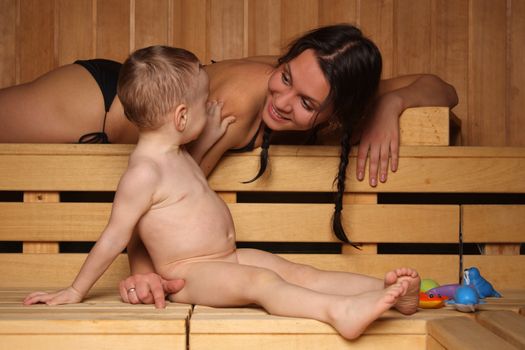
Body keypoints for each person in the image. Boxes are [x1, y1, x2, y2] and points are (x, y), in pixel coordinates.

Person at [2, 23, 457, 306]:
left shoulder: (332, 72)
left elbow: (440, 87)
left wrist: (390, 103)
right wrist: (142, 277)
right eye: (283, 78)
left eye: (304, 102)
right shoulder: (237, 108)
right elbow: (158, 204)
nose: (281, 100)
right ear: (285, 60)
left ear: (339, 110)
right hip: (95, 103)